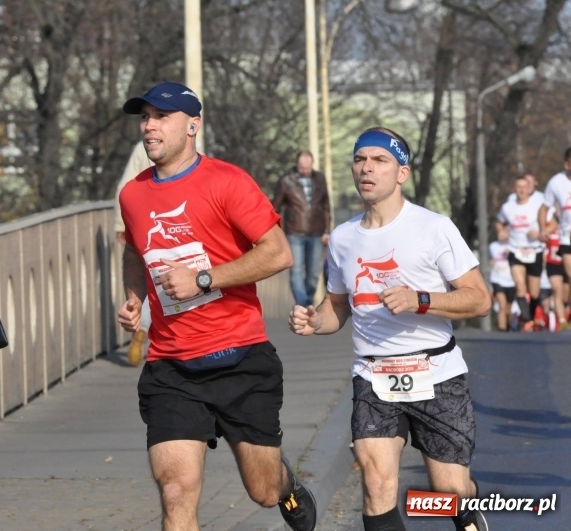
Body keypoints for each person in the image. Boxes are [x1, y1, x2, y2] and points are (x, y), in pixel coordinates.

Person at [117, 81, 316, 531]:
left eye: (160, 116)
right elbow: (133, 250)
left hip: (240, 360)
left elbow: (278, 252)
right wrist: (134, 297)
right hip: (172, 368)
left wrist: (203, 279)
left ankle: (287, 485)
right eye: (145, 117)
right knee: (175, 492)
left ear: (193, 125)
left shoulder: (227, 182)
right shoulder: (133, 194)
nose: (149, 126)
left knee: (263, 491)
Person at [289, 127, 491, 531]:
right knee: (376, 481)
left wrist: (422, 300)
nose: (367, 168)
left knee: (450, 495)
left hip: (436, 373)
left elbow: (478, 298)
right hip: (373, 375)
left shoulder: (433, 227)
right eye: (360, 159)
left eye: (379, 160)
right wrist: (315, 321)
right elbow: (337, 307)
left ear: (402, 173)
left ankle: (468, 504)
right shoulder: (344, 238)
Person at [272, 150, 331, 307]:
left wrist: (327, 231)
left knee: (313, 274)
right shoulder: (286, 180)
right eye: (302, 167)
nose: (305, 170)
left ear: (312, 165)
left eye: (308, 168)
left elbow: (326, 205)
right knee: (296, 271)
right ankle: (303, 304)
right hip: (294, 233)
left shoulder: (320, 178)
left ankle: (307, 300)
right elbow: (275, 208)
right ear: (297, 164)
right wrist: (276, 234)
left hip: (317, 233)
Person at [114, 141, 154, 365]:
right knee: (164, 283)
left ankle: (142, 329)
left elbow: (124, 186)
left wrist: (121, 224)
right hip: (171, 225)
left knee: (149, 283)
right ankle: (147, 330)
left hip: (143, 223)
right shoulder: (193, 149)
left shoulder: (142, 147)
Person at [496, 173, 551, 331]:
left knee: (534, 292)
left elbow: (553, 222)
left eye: (524, 187)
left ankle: (532, 316)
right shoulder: (508, 207)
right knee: (520, 286)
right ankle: (526, 320)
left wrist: (541, 232)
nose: (521, 190)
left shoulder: (539, 204)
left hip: (535, 250)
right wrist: (501, 232)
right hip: (516, 250)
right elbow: (500, 223)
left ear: (529, 188)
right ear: (514, 189)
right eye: (518, 187)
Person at [539, 147, 571, 282]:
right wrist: (542, 229)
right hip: (567, 236)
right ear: (567, 164)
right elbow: (543, 208)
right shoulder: (556, 182)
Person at [489, 225, 515, 331]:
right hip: (497, 279)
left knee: (508, 308)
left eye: (504, 233)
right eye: (499, 233)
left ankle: (508, 325)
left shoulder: (512, 246)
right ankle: (502, 328)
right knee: (502, 304)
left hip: (511, 281)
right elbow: (490, 260)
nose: (501, 235)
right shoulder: (493, 246)